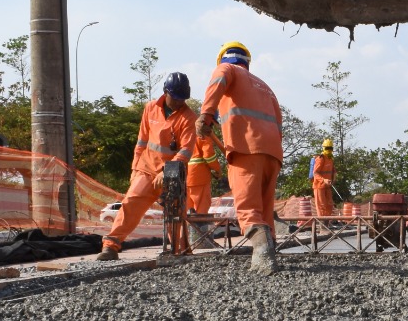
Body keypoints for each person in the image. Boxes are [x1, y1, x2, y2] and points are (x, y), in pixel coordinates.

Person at [197, 41, 284, 274]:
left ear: (223, 58)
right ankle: (268, 253)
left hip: (246, 149)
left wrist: (206, 115)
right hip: (273, 153)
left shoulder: (227, 69)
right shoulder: (265, 87)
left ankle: (263, 256)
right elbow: (278, 123)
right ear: (247, 61)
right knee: (265, 209)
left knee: (248, 209)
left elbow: (218, 81)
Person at [98, 73, 196, 260]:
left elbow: (185, 151)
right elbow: (141, 142)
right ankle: (111, 246)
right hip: (146, 169)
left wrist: (167, 171)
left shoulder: (189, 118)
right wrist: (135, 169)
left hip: (172, 174)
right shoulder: (151, 108)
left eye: (182, 99)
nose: (179, 102)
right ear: (166, 92)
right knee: (130, 204)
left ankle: (180, 251)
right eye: (176, 98)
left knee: (176, 214)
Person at [185, 128, 223, 248]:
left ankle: (186, 241)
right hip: (199, 177)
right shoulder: (202, 136)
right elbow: (209, 156)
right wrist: (217, 169)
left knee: (187, 210)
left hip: (184, 177)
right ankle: (200, 242)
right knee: (201, 210)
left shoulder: (184, 133)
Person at [310, 138, 336, 221]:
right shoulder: (320, 158)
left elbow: (333, 171)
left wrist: (334, 178)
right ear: (324, 148)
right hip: (319, 186)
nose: (329, 150)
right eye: (327, 148)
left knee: (329, 205)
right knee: (322, 206)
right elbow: (315, 173)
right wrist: (324, 180)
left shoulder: (330, 159)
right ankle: (322, 224)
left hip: (327, 186)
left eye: (331, 148)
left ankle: (327, 223)